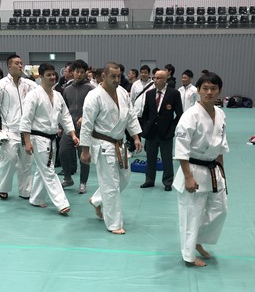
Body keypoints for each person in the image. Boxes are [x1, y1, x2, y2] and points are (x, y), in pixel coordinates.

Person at [173, 72, 229, 267]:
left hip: (213, 169)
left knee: (220, 209)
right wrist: (188, 177)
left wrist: (222, 172)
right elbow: (181, 150)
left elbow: (220, 145)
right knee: (191, 214)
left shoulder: (220, 114)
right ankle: (188, 255)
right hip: (193, 168)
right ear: (198, 90)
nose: (209, 92)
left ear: (219, 91)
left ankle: (197, 240)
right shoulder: (190, 116)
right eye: (205, 88)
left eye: (213, 88)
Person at [80, 62, 142, 234]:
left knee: (124, 178)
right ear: (103, 76)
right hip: (103, 145)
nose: (116, 79)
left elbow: (130, 115)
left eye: (119, 76)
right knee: (110, 184)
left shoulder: (122, 92)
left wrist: (136, 136)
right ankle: (114, 224)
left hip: (119, 143)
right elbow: (87, 124)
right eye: (113, 76)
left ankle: (97, 200)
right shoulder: (94, 96)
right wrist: (85, 150)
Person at [20, 63, 79, 214]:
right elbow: (26, 119)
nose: (52, 77)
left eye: (53, 74)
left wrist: (72, 134)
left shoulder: (58, 95)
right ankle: (61, 203)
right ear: (41, 77)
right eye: (48, 75)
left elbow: (65, 116)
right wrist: (27, 141)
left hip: (51, 139)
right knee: (49, 170)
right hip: (38, 138)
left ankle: (36, 199)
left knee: (42, 170)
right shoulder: (33, 95)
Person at [0, 53, 36, 200]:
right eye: (17, 63)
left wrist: (38, 77)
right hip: (9, 130)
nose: (20, 65)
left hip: (27, 131)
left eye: (21, 63)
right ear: (9, 66)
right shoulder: (1, 85)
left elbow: (42, 92)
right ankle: (3, 188)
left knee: (26, 163)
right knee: (9, 160)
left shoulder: (29, 84)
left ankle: (25, 190)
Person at [140, 69, 183, 191]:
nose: (155, 80)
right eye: (154, 78)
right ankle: (149, 180)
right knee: (150, 158)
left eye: (158, 78)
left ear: (165, 80)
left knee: (167, 159)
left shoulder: (174, 94)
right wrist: (145, 127)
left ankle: (168, 182)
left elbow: (179, 114)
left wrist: (172, 129)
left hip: (166, 132)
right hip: (151, 132)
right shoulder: (149, 94)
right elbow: (145, 113)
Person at [59, 59, 94, 194]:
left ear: (85, 73)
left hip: (85, 128)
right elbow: (63, 110)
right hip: (69, 128)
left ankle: (83, 182)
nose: (79, 74)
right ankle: (68, 178)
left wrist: (85, 117)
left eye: (81, 72)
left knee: (83, 155)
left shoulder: (91, 89)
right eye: (76, 72)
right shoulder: (66, 90)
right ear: (72, 72)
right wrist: (61, 127)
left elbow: (95, 109)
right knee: (63, 151)